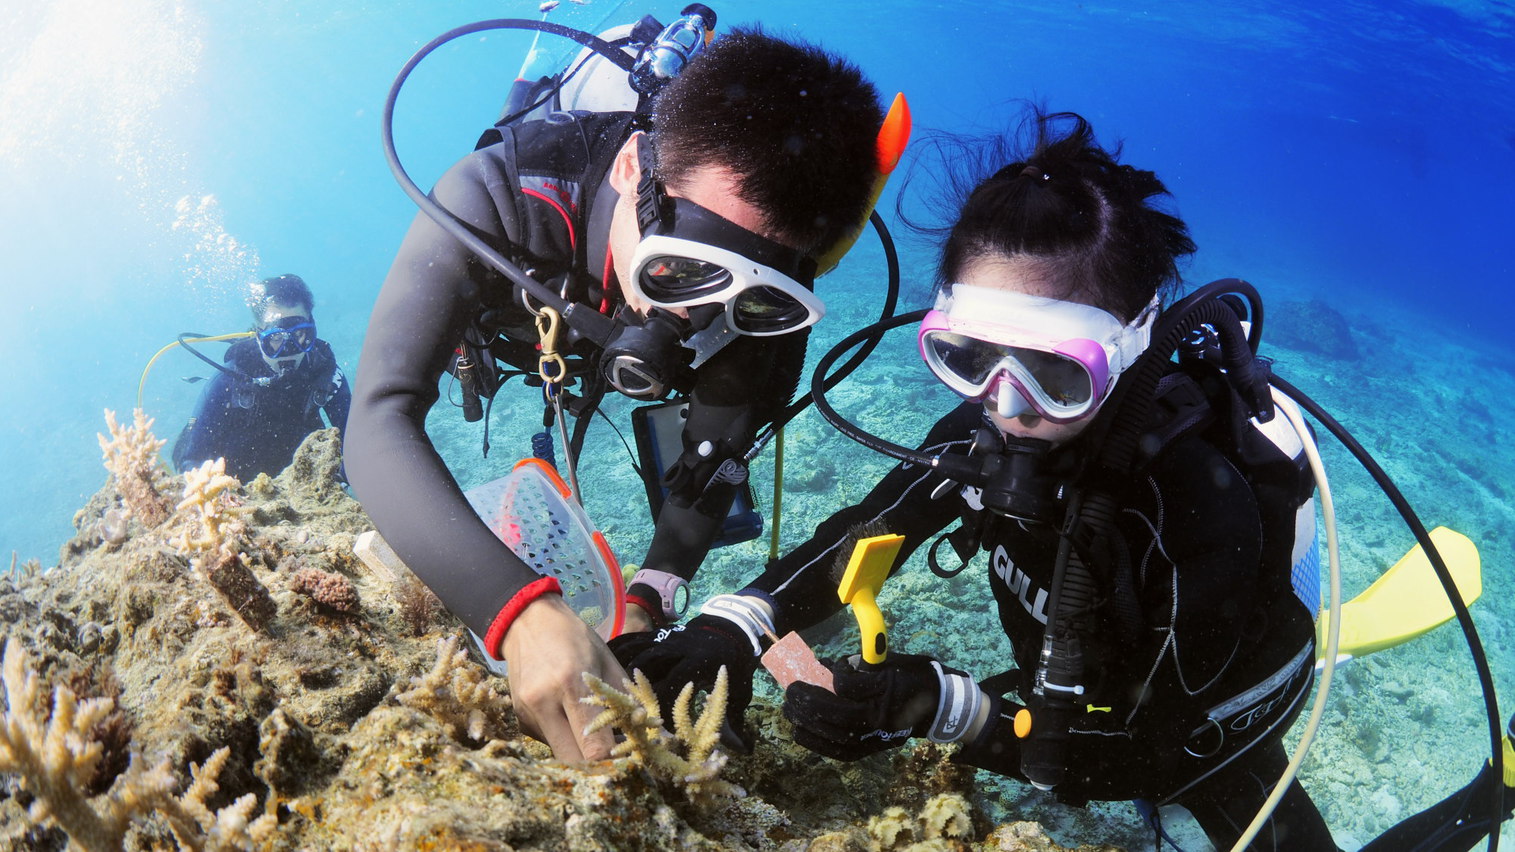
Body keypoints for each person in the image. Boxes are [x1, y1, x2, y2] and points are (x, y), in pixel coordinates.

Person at [614, 110, 1514, 850]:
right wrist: (734, 625)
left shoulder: (1195, 504)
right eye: (967, 358)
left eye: (1055, 372)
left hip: (1202, 712)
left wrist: (941, 706)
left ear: (1129, 344)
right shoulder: (994, 418)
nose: (1007, 407)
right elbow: (867, 526)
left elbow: (1151, 756)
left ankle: (1494, 790)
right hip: (1086, 671)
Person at [344, 24, 889, 762]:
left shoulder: (775, 295)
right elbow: (378, 419)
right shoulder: (496, 193)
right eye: (684, 269)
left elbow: (710, 458)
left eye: (752, 300)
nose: (702, 319)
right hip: (523, 321)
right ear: (634, 166)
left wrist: (644, 603)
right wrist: (522, 618)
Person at [173, 273, 350, 481]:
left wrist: (336, 481)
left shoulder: (325, 374)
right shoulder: (230, 378)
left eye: (301, 335)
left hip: (304, 485)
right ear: (257, 336)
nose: (290, 349)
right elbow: (192, 460)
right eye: (276, 338)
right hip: (237, 491)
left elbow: (358, 444)